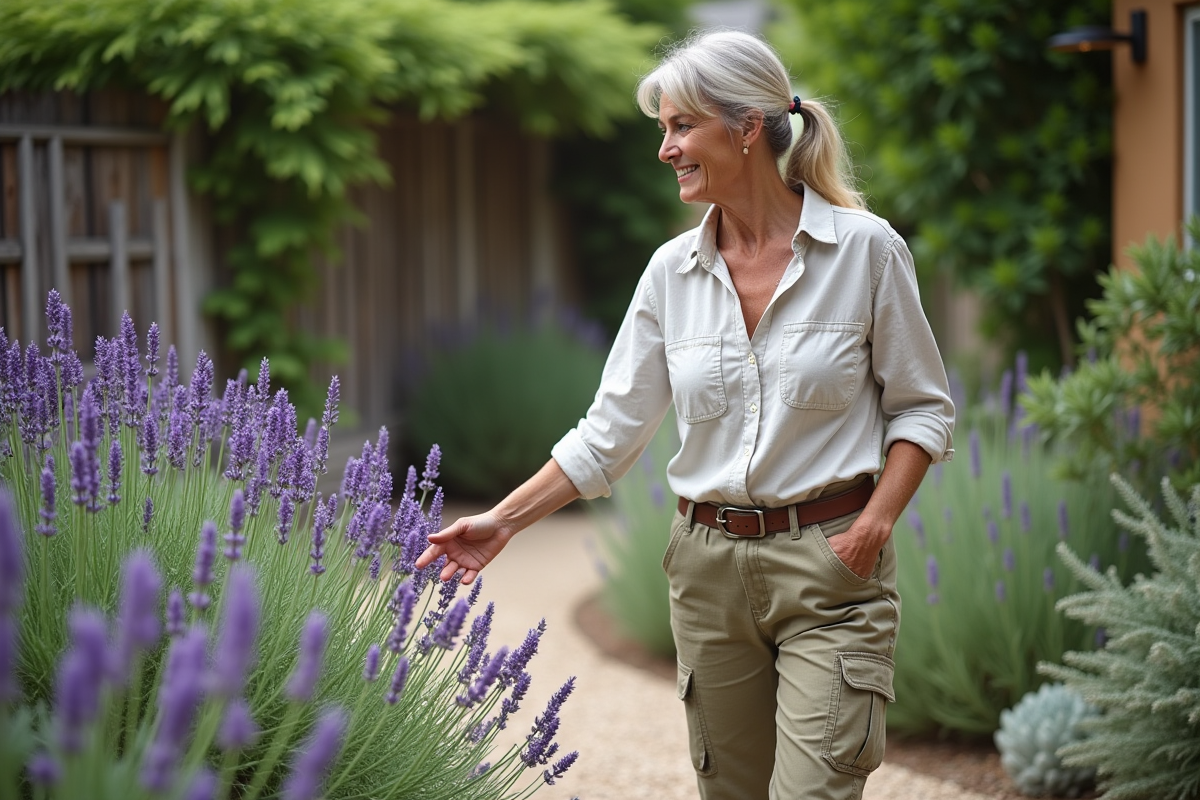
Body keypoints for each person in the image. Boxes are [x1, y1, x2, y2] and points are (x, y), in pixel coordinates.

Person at [416, 30, 955, 800]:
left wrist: (873, 526)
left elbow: (923, 410)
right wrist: (504, 520)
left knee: (813, 791)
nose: (665, 148)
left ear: (745, 127)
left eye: (680, 127)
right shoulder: (672, 272)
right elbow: (609, 434)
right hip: (707, 570)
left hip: (831, 570)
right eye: (662, 130)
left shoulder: (866, 252)